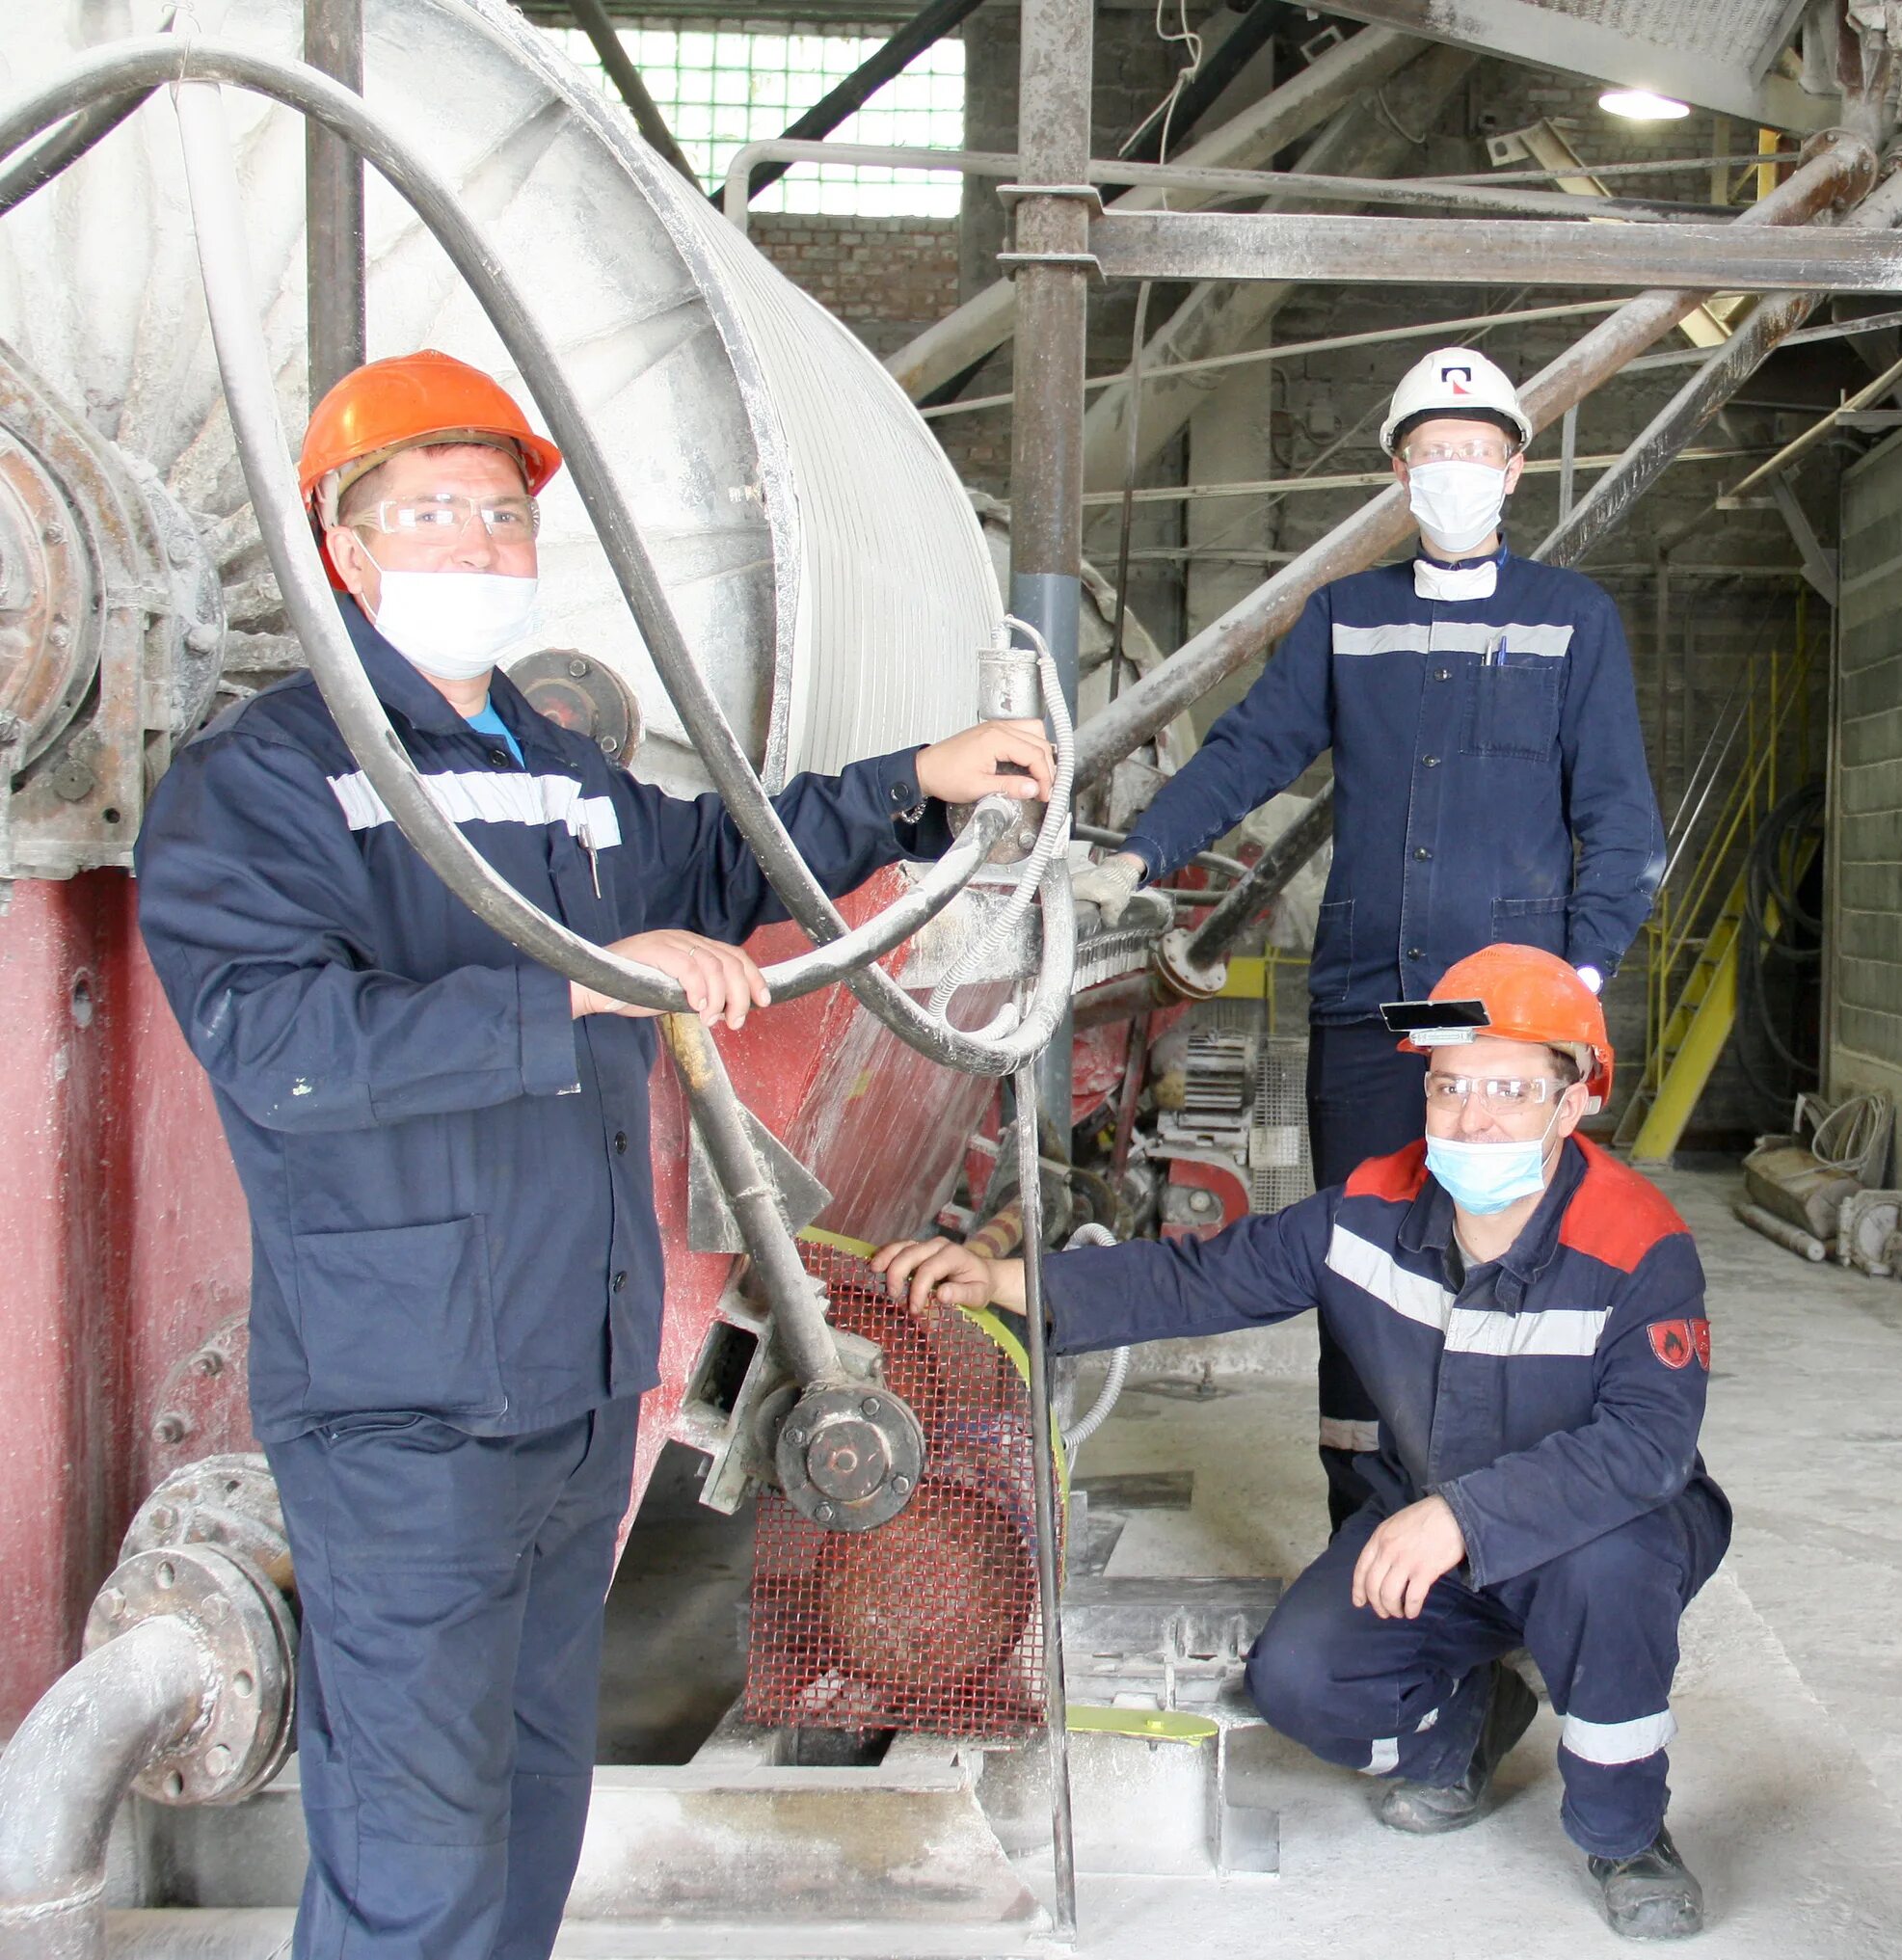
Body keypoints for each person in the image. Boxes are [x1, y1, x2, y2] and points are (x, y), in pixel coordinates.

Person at [133, 348, 1055, 1960]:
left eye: (500, 516)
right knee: (412, 1840)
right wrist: (567, 981)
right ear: (341, 548)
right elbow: (283, 1048)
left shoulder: (547, 764)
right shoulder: (260, 783)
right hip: (401, 1394)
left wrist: (911, 787)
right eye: (429, 512)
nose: (477, 547)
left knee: (531, 1805)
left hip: (573, 1374)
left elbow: (706, 859)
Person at [871, 945, 1726, 1941]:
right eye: (1451, 1085)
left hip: (1600, 1526)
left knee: (1605, 1573)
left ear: (1571, 1101)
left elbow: (1644, 1449)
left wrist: (1460, 1515)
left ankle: (1626, 1831)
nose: (1473, 1116)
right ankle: (1466, 1722)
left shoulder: (1639, 1242)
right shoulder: (1370, 1211)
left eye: (1509, 1087)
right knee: (1299, 1679)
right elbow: (1201, 1279)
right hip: (1436, 1529)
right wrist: (1010, 1282)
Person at [1066, 346, 1665, 1527]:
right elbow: (1249, 750)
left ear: (1516, 468)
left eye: (1479, 451)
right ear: (1401, 473)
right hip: (1371, 1013)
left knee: (1507, 1259)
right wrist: (1140, 848)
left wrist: (1576, 984)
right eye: (1436, 452)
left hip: (1507, 1028)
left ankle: (1496, 1521)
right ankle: (1365, 1522)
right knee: (1362, 1258)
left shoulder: (1569, 623)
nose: (1458, 471)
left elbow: (1621, 823)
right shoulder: (1349, 618)